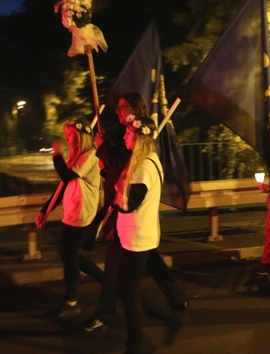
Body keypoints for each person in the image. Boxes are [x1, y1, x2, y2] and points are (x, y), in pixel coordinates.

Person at [84, 93, 186, 334]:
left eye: (122, 108)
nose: (118, 112)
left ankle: (110, 316)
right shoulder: (131, 140)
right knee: (147, 262)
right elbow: (118, 168)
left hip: (131, 223)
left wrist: (102, 149)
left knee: (122, 280)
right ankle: (174, 300)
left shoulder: (142, 153)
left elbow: (124, 173)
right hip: (135, 227)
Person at [36, 118, 102, 318]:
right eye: (66, 136)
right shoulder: (76, 156)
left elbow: (66, 176)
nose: (67, 139)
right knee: (69, 255)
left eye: (71, 135)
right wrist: (45, 209)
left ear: (81, 136)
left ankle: (71, 302)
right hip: (71, 213)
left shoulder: (90, 156)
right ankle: (106, 281)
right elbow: (63, 186)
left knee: (69, 256)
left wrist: (56, 154)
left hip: (83, 214)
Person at [113, 114, 164, 352]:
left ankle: (136, 340)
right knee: (126, 288)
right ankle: (153, 321)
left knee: (128, 290)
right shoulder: (148, 160)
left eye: (128, 133)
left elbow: (129, 204)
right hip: (137, 235)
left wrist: (115, 197)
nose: (124, 136)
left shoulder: (144, 167)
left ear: (139, 137)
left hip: (137, 238)